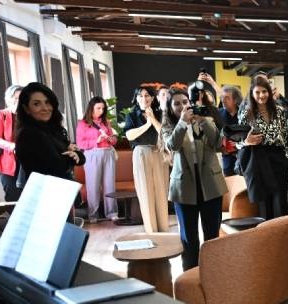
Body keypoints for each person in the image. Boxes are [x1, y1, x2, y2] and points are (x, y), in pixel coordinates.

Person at [161, 89, 227, 270]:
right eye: (176, 103)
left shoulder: (205, 119)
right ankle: (190, 276)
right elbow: (172, 145)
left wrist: (204, 121)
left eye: (185, 102)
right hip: (183, 186)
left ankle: (213, 273)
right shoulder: (168, 126)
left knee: (212, 235)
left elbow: (218, 144)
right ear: (170, 107)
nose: (182, 106)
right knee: (188, 237)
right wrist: (182, 122)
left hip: (210, 183)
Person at [238, 76, 288, 219]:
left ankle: (282, 231)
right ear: (252, 94)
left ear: (269, 92)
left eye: (264, 91)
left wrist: (287, 158)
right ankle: (267, 232)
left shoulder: (279, 111)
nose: (261, 95)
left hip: (279, 160)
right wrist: (246, 142)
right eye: (257, 92)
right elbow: (237, 142)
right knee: (264, 205)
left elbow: (285, 136)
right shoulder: (247, 113)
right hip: (258, 161)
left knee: (281, 203)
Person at [14, 82, 84, 185]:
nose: (45, 108)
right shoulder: (29, 134)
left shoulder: (52, 129)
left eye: (47, 102)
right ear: (26, 109)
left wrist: (73, 154)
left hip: (62, 188)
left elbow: (81, 158)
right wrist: (71, 155)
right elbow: (58, 167)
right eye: (36, 104)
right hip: (46, 191)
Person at [124, 86, 170, 233]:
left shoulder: (160, 113)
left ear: (152, 98)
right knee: (145, 193)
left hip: (158, 152)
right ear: (136, 99)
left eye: (147, 95)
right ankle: (152, 232)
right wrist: (147, 124)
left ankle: (164, 229)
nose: (144, 99)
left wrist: (153, 119)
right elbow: (129, 135)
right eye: (141, 96)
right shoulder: (132, 115)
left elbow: (165, 133)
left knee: (162, 191)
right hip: (141, 153)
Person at [76, 96, 119, 222]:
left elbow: (113, 139)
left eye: (103, 108)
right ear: (91, 108)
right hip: (92, 155)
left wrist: (112, 139)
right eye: (98, 108)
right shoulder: (82, 123)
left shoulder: (106, 122)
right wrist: (96, 140)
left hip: (108, 153)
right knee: (93, 186)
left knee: (110, 185)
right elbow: (80, 144)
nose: (101, 111)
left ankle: (112, 213)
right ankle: (93, 215)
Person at [0, 85, 22, 201]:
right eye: (15, 98)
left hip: (28, 163)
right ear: (8, 100)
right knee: (13, 199)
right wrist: (13, 146)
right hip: (9, 166)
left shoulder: (29, 117)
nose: (18, 101)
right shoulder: (1, 114)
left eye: (21, 98)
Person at [219, 86, 243, 176]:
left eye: (227, 98)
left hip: (243, 154)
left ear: (235, 100)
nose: (223, 100)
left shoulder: (243, 114)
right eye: (222, 97)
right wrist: (220, 147)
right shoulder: (218, 114)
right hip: (227, 156)